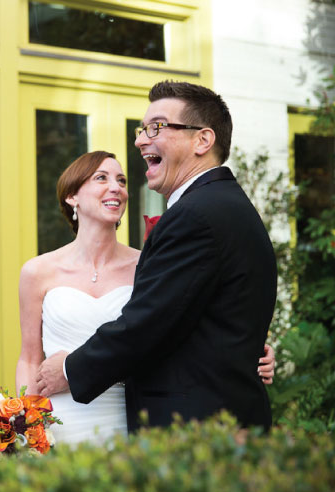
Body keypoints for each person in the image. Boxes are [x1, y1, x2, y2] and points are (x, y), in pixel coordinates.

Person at [32, 81, 278, 435]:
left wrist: (70, 370)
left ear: (202, 140)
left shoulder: (197, 215)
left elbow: (147, 324)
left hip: (198, 429)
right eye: (142, 129)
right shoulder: (223, 205)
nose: (140, 140)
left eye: (157, 127)